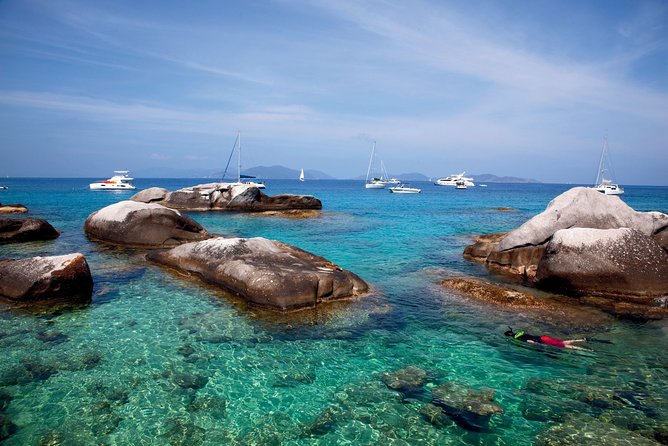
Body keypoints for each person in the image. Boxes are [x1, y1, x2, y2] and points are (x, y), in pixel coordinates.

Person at [504, 327, 589, 351]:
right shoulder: (520, 332)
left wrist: (541, 345)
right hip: (543, 337)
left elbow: (530, 341)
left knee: (564, 346)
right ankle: (582, 340)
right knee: (562, 342)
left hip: (544, 340)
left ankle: (587, 350)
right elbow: (529, 336)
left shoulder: (518, 338)